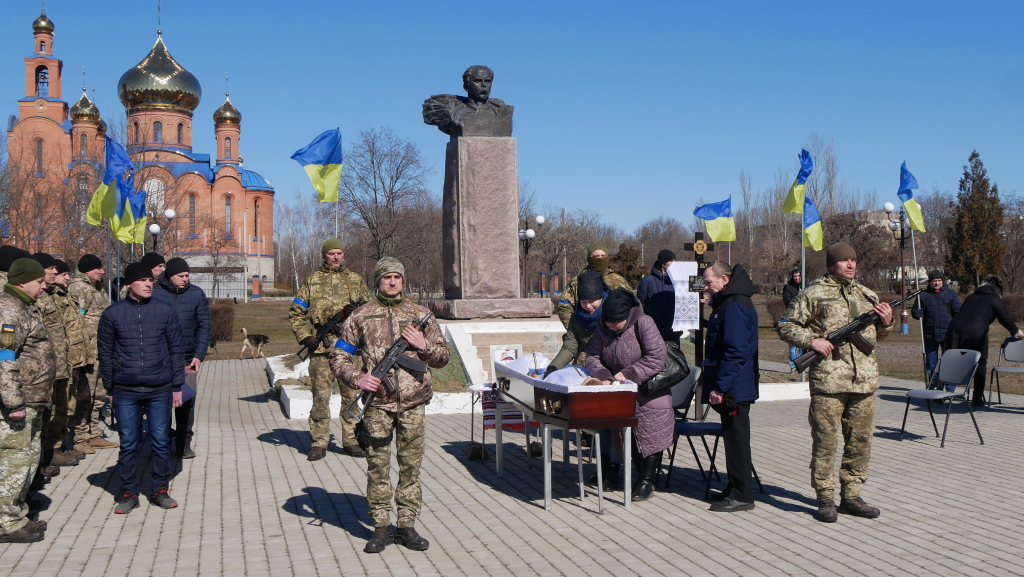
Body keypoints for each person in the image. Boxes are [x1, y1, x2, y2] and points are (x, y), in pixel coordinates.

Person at [330, 257, 449, 553]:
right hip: (377, 406)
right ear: (378, 281)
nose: (392, 282)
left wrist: (423, 346)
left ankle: (406, 526)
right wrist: (358, 379)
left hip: (413, 404)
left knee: (410, 467)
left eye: (397, 277)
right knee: (378, 467)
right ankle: (381, 526)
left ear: (403, 281)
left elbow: (444, 357)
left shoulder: (421, 315)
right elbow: (338, 356)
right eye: (386, 278)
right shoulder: (360, 316)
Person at [778, 242, 894, 523]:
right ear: (832, 264)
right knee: (826, 441)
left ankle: (852, 495)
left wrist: (888, 322)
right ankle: (825, 497)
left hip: (863, 382)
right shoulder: (813, 293)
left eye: (854, 260)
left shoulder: (868, 296)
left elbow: (880, 338)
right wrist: (812, 341)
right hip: (829, 381)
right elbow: (786, 325)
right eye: (844, 260)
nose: (851, 265)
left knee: (861, 441)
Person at [98, 262, 185, 514]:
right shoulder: (112, 314)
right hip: (125, 390)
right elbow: (105, 354)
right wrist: (110, 389)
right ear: (128, 285)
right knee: (128, 443)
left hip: (160, 389)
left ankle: (159, 490)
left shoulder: (165, 311)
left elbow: (176, 350)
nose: (149, 284)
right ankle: (128, 492)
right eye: (143, 280)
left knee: (159, 441)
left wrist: (177, 385)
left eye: (151, 280)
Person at [289, 239, 372, 461]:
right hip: (321, 352)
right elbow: (297, 311)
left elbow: (372, 311)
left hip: (349, 350)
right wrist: (305, 336)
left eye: (339, 253)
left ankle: (351, 440)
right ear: (324, 256)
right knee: (320, 397)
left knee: (351, 396)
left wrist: (358, 310)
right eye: (331, 253)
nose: (336, 257)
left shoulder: (355, 280)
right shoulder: (312, 281)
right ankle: (319, 442)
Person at [585, 288, 669, 501]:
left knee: (650, 432)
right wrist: (603, 375)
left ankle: (646, 481)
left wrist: (630, 373)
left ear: (627, 316)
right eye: (609, 322)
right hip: (621, 392)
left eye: (616, 323)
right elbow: (593, 356)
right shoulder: (603, 327)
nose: (612, 326)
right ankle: (643, 477)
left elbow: (656, 356)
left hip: (649, 391)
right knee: (625, 435)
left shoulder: (644, 323)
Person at [0, 258, 56, 543]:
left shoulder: (23, 306)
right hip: (19, 403)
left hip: (33, 398)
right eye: (40, 282)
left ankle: (17, 513)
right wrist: (13, 403)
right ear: (22, 282)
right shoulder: (9, 310)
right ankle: (6, 522)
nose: (44, 286)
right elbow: (4, 358)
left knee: (28, 459)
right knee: (15, 459)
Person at [543, 271, 616, 485]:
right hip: (592, 373)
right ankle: (604, 468)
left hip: (614, 372)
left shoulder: (613, 313)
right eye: (584, 302)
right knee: (600, 425)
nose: (588, 306)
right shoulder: (578, 317)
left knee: (615, 423)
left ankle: (617, 467)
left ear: (602, 297)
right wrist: (553, 368)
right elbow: (570, 346)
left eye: (592, 301)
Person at [702, 261, 759, 513]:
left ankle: (742, 495)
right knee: (731, 438)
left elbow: (736, 351)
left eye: (708, 282)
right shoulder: (728, 302)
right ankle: (734, 485)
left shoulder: (735, 305)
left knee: (737, 440)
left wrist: (721, 387)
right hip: (732, 385)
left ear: (724, 280)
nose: (706, 287)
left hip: (734, 387)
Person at [32, 254, 90, 481]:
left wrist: (74, 362)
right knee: (49, 414)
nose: (55, 273)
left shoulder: (55, 294)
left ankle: (52, 453)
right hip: (45, 369)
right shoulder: (39, 296)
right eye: (52, 269)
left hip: (61, 365)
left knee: (62, 408)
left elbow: (68, 332)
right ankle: (48, 456)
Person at [151, 258, 210, 459]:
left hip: (186, 361)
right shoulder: (155, 292)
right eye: (180, 276)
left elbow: (204, 327)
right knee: (160, 405)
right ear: (169, 276)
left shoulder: (196, 294)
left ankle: (184, 444)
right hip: (159, 362)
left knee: (186, 404)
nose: (185, 279)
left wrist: (199, 355)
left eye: (187, 276)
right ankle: (161, 444)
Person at [944, 275, 1023, 406]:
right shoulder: (993, 299)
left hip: (955, 328)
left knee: (950, 358)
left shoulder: (971, 297)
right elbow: (1005, 318)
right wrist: (1016, 331)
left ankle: (936, 390)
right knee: (981, 362)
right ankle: (977, 397)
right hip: (977, 331)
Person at [67, 254, 110, 453]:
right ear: (86, 270)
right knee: (84, 395)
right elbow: (77, 319)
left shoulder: (95, 287)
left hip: (99, 349)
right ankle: (79, 437)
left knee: (98, 395)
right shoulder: (79, 288)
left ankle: (94, 433)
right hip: (88, 351)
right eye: (98, 268)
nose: (102, 271)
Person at [422, 65, 514, 138]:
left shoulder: (501, 111)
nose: (483, 85)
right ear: (466, 87)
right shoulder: (454, 112)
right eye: (477, 81)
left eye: (487, 81)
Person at [557, 242, 631, 328]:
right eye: (596, 256)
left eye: (603, 256)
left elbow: (631, 304)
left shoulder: (618, 280)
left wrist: (622, 327)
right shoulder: (577, 281)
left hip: (612, 333)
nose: (600, 259)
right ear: (589, 258)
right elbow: (564, 305)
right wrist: (574, 328)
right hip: (586, 333)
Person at [912, 270, 961, 382]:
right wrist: (916, 313)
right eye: (934, 281)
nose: (937, 283)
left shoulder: (951, 294)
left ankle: (949, 387)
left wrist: (955, 326)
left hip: (947, 335)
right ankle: (932, 386)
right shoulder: (923, 295)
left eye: (939, 280)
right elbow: (914, 311)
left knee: (949, 361)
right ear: (930, 282)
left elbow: (957, 312)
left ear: (942, 281)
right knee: (931, 363)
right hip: (930, 335)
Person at [637, 249, 683, 345]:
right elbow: (640, 305)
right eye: (671, 261)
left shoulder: (679, 281)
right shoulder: (647, 281)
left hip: (673, 333)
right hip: (652, 332)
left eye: (675, 261)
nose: (674, 263)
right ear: (663, 263)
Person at [782, 268, 803, 372]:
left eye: (799, 276)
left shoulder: (805, 287)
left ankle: (802, 364)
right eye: (795, 276)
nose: (797, 278)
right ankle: (793, 365)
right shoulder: (788, 287)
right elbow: (787, 300)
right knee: (793, 345)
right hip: (792, 318)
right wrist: (797, 300)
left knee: (803, 343)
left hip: (804, 318)